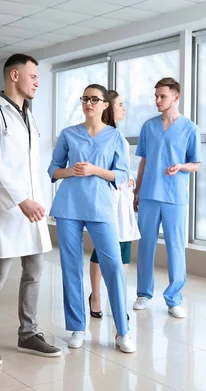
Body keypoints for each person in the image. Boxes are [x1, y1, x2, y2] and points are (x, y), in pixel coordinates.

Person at [0, 53, 61, 366]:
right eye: (33, 76)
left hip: (32, 208)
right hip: (8, 208)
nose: (37, 81)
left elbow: (29, 165)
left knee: (34, 272)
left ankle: (28, 334)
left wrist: (35, 198)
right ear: (13, 75)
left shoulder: (29, 116)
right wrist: (20, 199)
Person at [48, 84, 136, 353]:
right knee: (70, 267)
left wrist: (96, 170)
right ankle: (77, 327)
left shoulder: (115, 138)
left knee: (113, 266)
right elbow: (53, 170)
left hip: (100, 207)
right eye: (85, 99)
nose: (88, 103)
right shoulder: (69, 134)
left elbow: (121, 175)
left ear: (105, 105)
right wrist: (72, 171)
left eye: (94, 99)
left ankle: (123, 332)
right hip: (68, 207)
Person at [132, 77, 201, 319]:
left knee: (175, 248)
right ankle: (143, 293)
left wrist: (181, 167)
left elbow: (196, 164)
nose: (158, 100)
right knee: (146, 246)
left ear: (176, 97)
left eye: (162, 96)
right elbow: (144, 160)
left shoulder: (190, 129)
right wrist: (137, 190)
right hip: (150, 194)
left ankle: (174, 298)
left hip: (174, 197)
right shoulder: (148, 127)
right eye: (156, 96)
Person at [88, 90, 140, 320]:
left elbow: (123, 170)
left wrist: (129, 179)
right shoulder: (100, 137)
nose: (123, 108)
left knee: (124, 249)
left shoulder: (121, 140)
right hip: (107, 199)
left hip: (123, 200)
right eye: (120, 104)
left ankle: (118, 300)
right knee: (103, 250)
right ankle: (96, 296)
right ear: (108, 106)